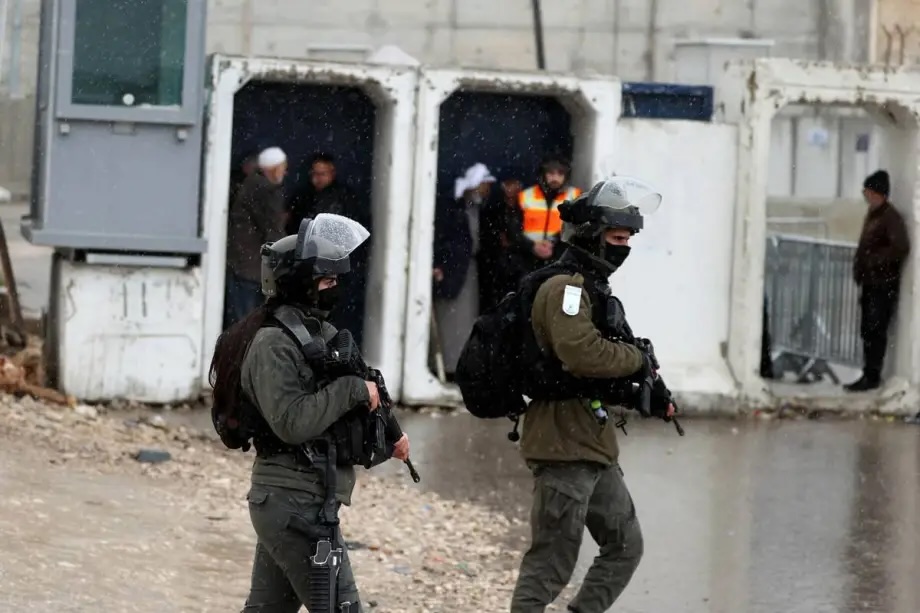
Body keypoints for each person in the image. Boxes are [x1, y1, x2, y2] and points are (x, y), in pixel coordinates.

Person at [209, 213, 410, 612]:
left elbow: (352, 383)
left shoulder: (311, 334)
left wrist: (391, 435)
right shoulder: (272, 343)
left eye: (336, 280)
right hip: (292, 502)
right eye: (326, 280)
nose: (334, 288)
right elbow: (292, 422)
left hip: (297, 500)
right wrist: (352, 391)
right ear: (300, 283)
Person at [509, 177, 675, 613]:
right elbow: (582, 355)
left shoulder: (591, 288)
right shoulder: (565, 288)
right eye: (617, 238)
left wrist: (649, 391)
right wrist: (635, 359)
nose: (624, 248)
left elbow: (599, 368)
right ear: (592, 235)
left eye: (628, 239)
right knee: (549, 567)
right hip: (562, 445)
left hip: (594, 443)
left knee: (625, 546)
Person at [287, 153, 372, 349]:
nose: (318, 178)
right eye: (315, 173)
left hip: (338, 267)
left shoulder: (345, 198)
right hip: (311, 268)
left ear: (332, 173)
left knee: (337, 315)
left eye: (322, 173)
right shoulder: (304, 197)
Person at [845, 170, 910, 392]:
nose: (866, 197)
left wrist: (874, 262)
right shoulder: (874, 215)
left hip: (883, 284)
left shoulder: (890, 218)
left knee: (875, 329)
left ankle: (872, 375)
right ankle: (868, 372)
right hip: (871, 282)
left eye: (868, 192)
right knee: (868, 329)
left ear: (878, 193)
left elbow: (899, 247)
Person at [432, 162, 496, 377]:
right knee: (452, 321)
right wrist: (439, 265)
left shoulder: (478, 209)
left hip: (468, 269)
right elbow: (443, 238)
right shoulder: (453, 208)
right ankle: (449, 366)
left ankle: (459, 366)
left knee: (465, 322)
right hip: (453, 270)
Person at [224, 146, 289, 329]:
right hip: (250, 268)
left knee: (243, 320)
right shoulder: (266, 191)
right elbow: (273, 230)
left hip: (244, 265)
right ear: (275, 169)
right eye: (283, 167)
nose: (285, 171)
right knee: (247, 322)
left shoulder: (252, 185)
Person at [513, 153, 583, 272]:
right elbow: (512, 229)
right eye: (550, 173)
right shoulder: (525, 196)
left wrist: (553, 243)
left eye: (560, 174)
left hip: (561, 261)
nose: (555, 178)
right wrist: (532, 246)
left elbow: (578, 228)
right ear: (543, 174)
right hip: (528, 261)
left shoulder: (575, 197)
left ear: (566, 176)